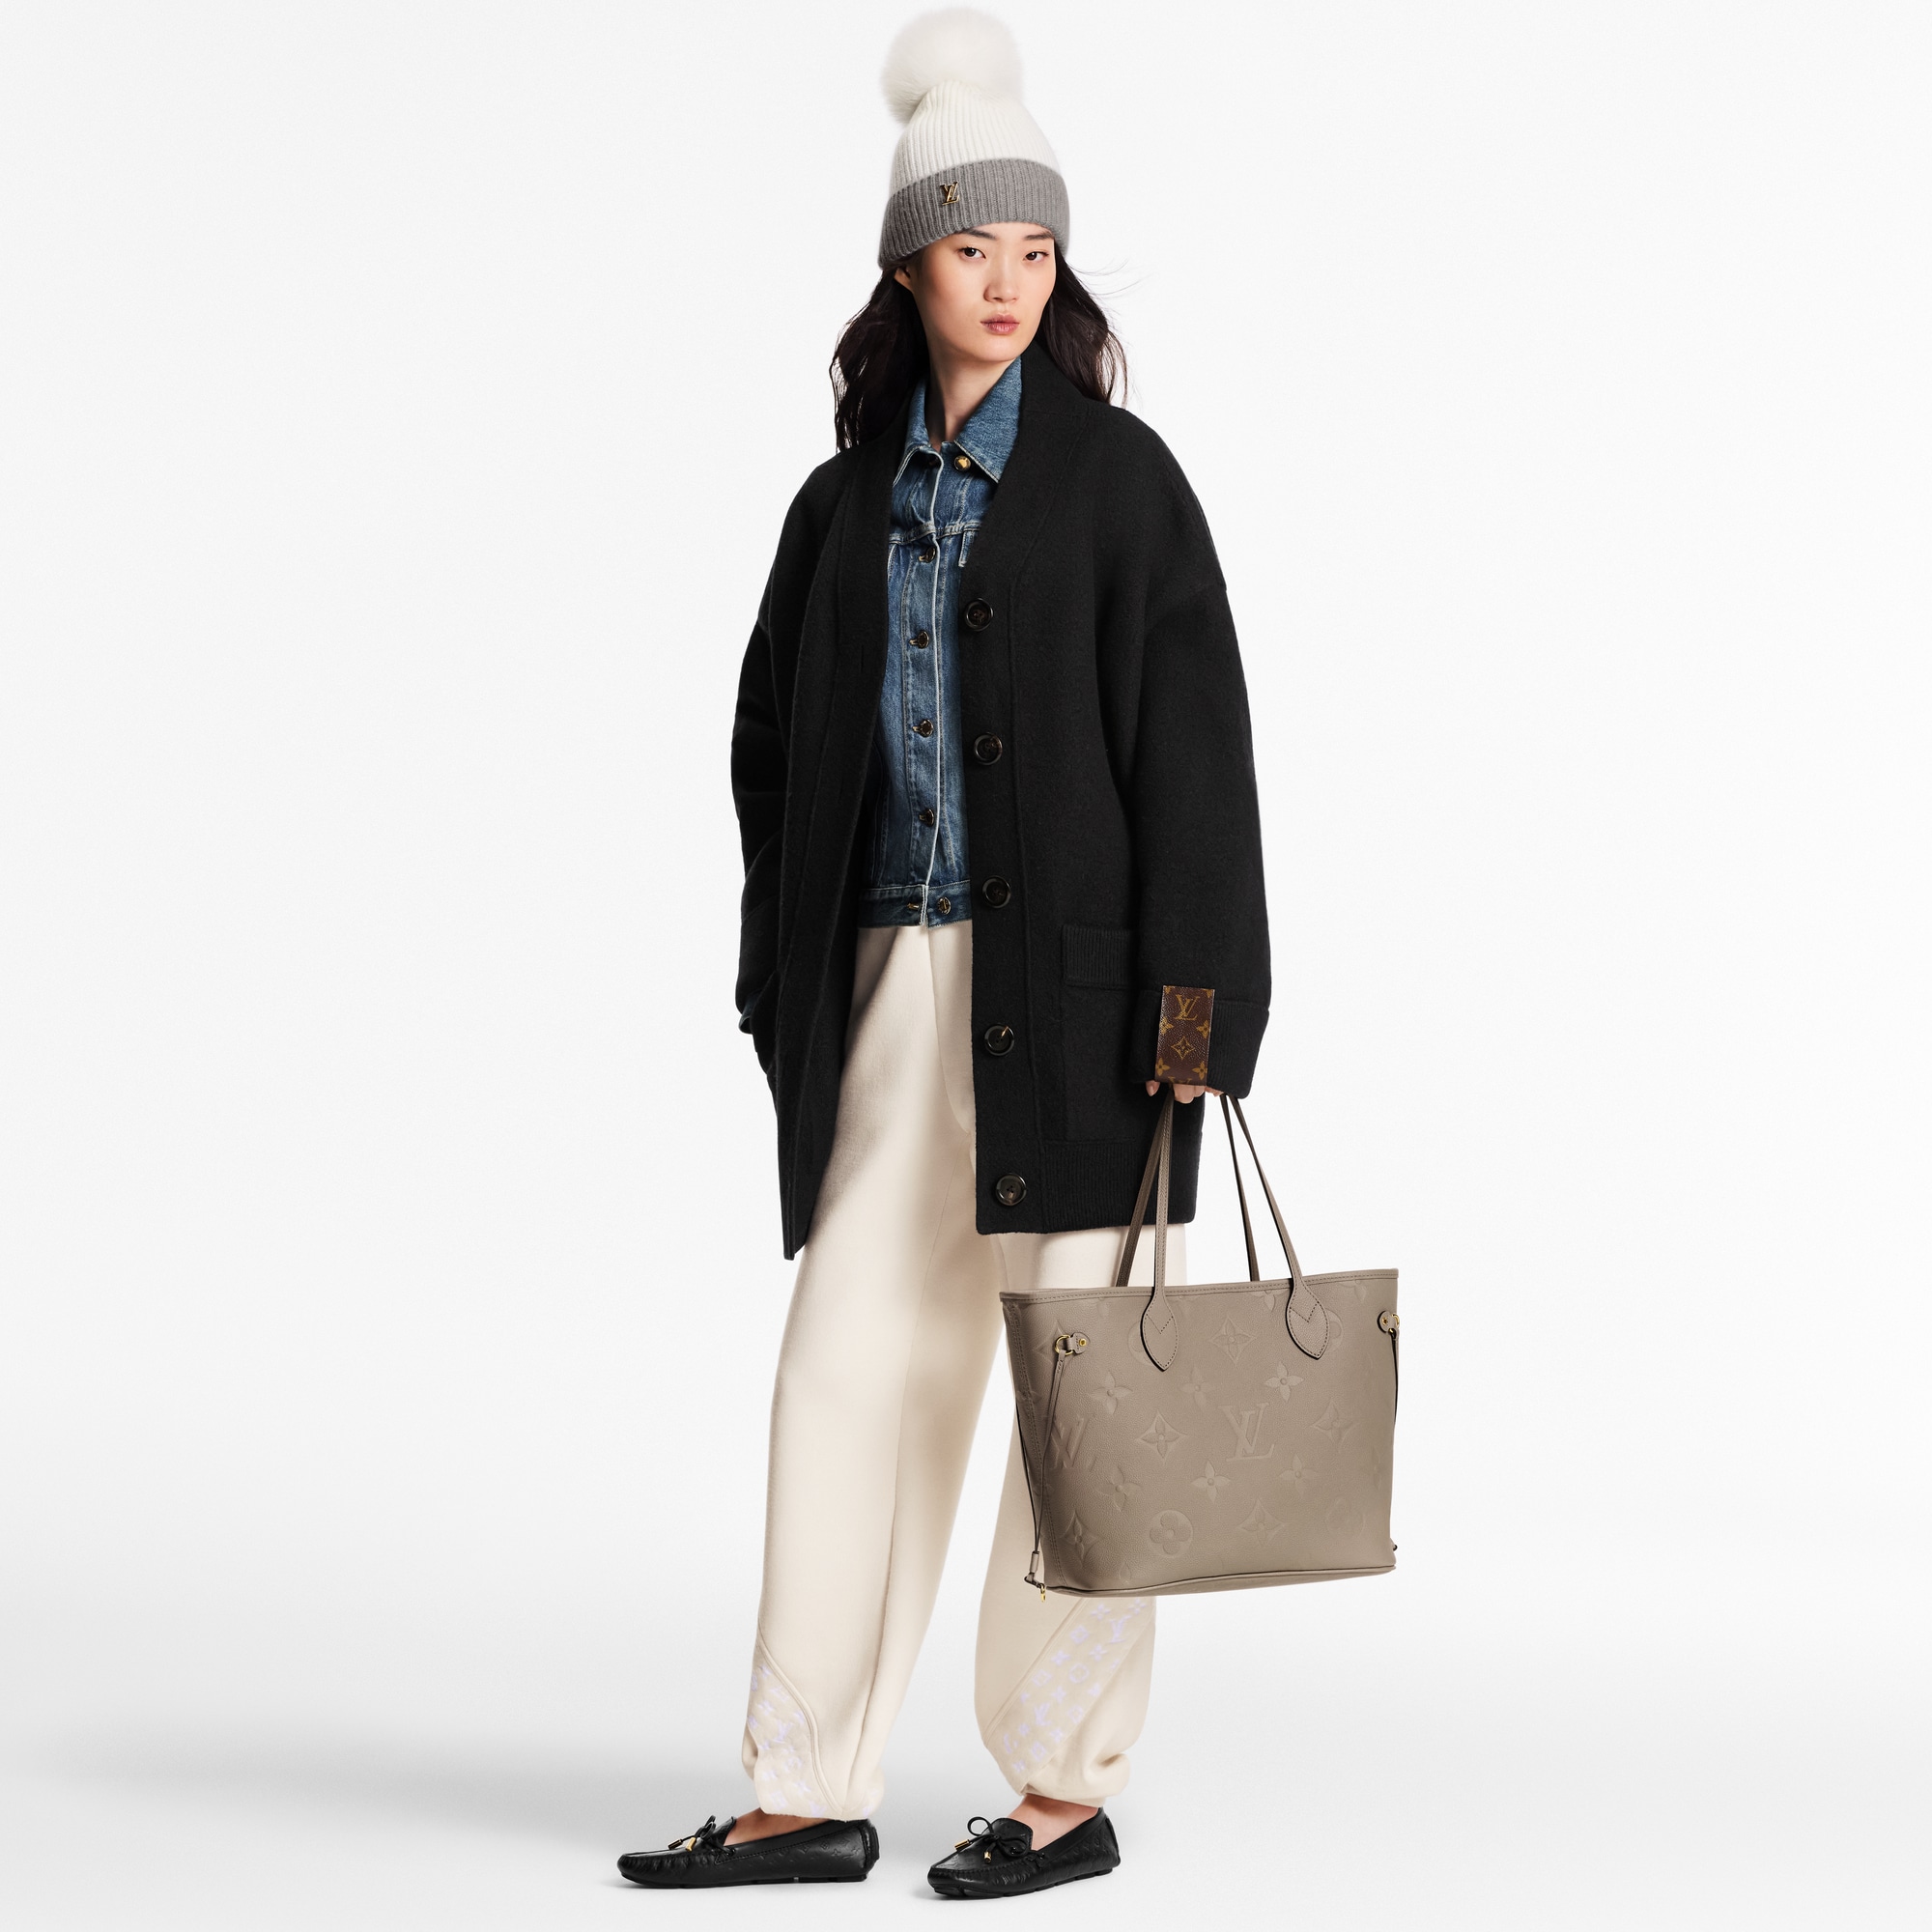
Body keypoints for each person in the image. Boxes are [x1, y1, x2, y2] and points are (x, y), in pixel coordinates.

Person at [619, 9, 1268, 1897]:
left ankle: (1062, 1787)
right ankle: (800, 1781)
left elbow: (1198, 762)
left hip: (1095, 1018)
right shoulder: (838, 512)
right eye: (970, 246)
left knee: (1088, 1396)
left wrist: (1194, 1032)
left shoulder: (1122, 487)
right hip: (891, 1006)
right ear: (906, 266)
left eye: (1034, 248)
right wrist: (784, 996)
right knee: (848, 1376)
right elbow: (771, 760)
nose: (1005, 282)